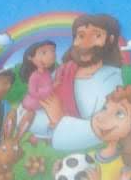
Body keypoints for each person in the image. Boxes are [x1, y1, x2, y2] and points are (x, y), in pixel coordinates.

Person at [42, 15, 124, 152]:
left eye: (96, 35)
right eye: (81, 36)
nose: (86, 43)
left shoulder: (111, 78)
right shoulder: (62, 72)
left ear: (110, 40)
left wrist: (59, 119)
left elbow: (105, 128)